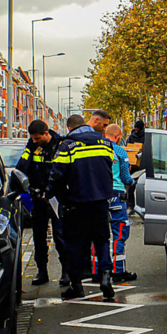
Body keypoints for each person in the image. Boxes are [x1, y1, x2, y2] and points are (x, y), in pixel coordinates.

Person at [48, 112, 117, 302]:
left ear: (70, 128)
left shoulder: (67, 146)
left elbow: (57, 175)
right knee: (102, 240)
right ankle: (105, 277)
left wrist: (49, 194)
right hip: (101, 201)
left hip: (76, 203)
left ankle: (76, 286)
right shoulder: (106, 143)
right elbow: (107, 168)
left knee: (75, 245)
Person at [16, 119, 69, 287]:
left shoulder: (60, 145)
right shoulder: (32, 145)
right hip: (38, 198)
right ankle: (42, 271)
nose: (35, 141)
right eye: (33, 138)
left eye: (37, 138)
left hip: (56, 197)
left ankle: (66, 272)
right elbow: (22, 167)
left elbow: (64, 172)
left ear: (46, 133)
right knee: (39, 236)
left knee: (60, 236)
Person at [104, 124, 136, 282]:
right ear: (117, 136)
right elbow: (125, 177)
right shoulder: (120, 151)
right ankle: (118, 271)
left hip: (99, 195)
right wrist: (132, 181)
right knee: (119, 233)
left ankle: (98, 271)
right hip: (116, 195)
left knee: (99, 234)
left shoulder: (97, 149)